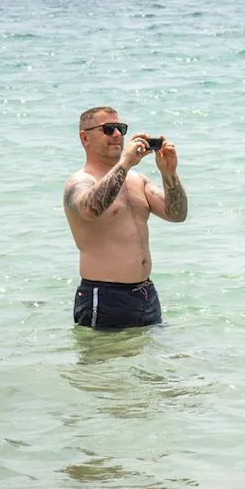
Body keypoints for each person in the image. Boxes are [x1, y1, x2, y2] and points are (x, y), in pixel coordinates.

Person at [63, 106, 188, 330]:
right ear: (85, 138)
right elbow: (89, 209)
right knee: (102, 365)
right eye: (108, 129)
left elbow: (177, 214)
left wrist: (169, 173)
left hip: (145, 293)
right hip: (104, 296)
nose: (118, 135)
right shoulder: (80, 181)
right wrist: (125, 163)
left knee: (144, 364)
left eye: (120, 128)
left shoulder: (137, 180)